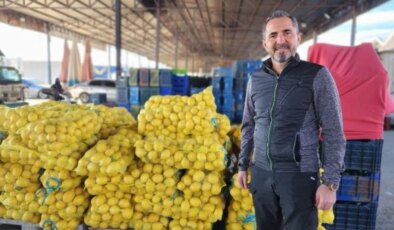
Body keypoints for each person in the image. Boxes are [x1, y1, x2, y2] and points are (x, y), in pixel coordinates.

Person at [237, 10, 345, 230]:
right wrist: (242, 165)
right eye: (273, 35)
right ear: (265, 43)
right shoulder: (255, 80)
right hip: (262, 174)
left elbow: (334, 130)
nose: (280, 40)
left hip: (300, 176)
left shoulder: (317, 75)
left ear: (298, 37)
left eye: (287, 33)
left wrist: (331, 184)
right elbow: (249, 125)